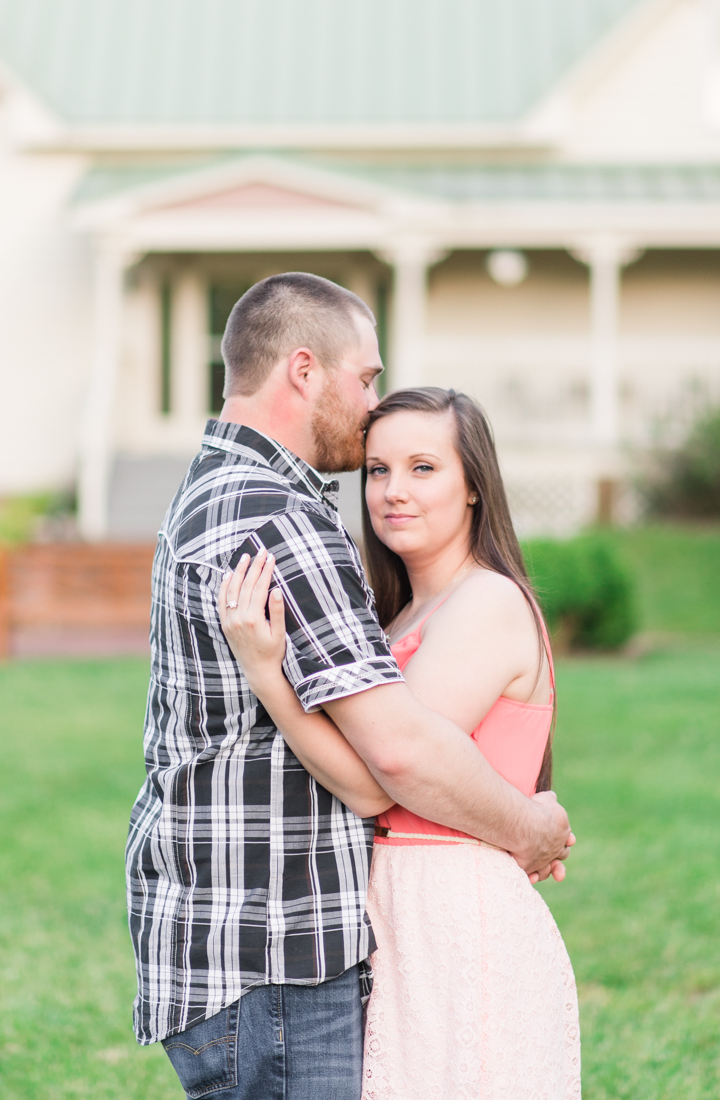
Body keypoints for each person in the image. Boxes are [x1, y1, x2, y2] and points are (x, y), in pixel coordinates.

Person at [126, 273, 573, 1100]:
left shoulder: (218, 493)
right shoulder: (282, 520)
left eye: (422, 466)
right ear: (305, 370)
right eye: (365, 379)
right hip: (278, 949)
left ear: (472, 481)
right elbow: (393, 763)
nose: (369, 404)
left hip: (354, 932)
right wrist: (529, 828)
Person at [219, 387, 581, 1099]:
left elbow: (375, 780)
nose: (393, 491)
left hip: (457, 917)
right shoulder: (403, 614)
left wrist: (268, 675)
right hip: (398, 913)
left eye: (423, 468)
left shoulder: (486, 602)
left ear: (474, 486)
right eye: (378, 470)